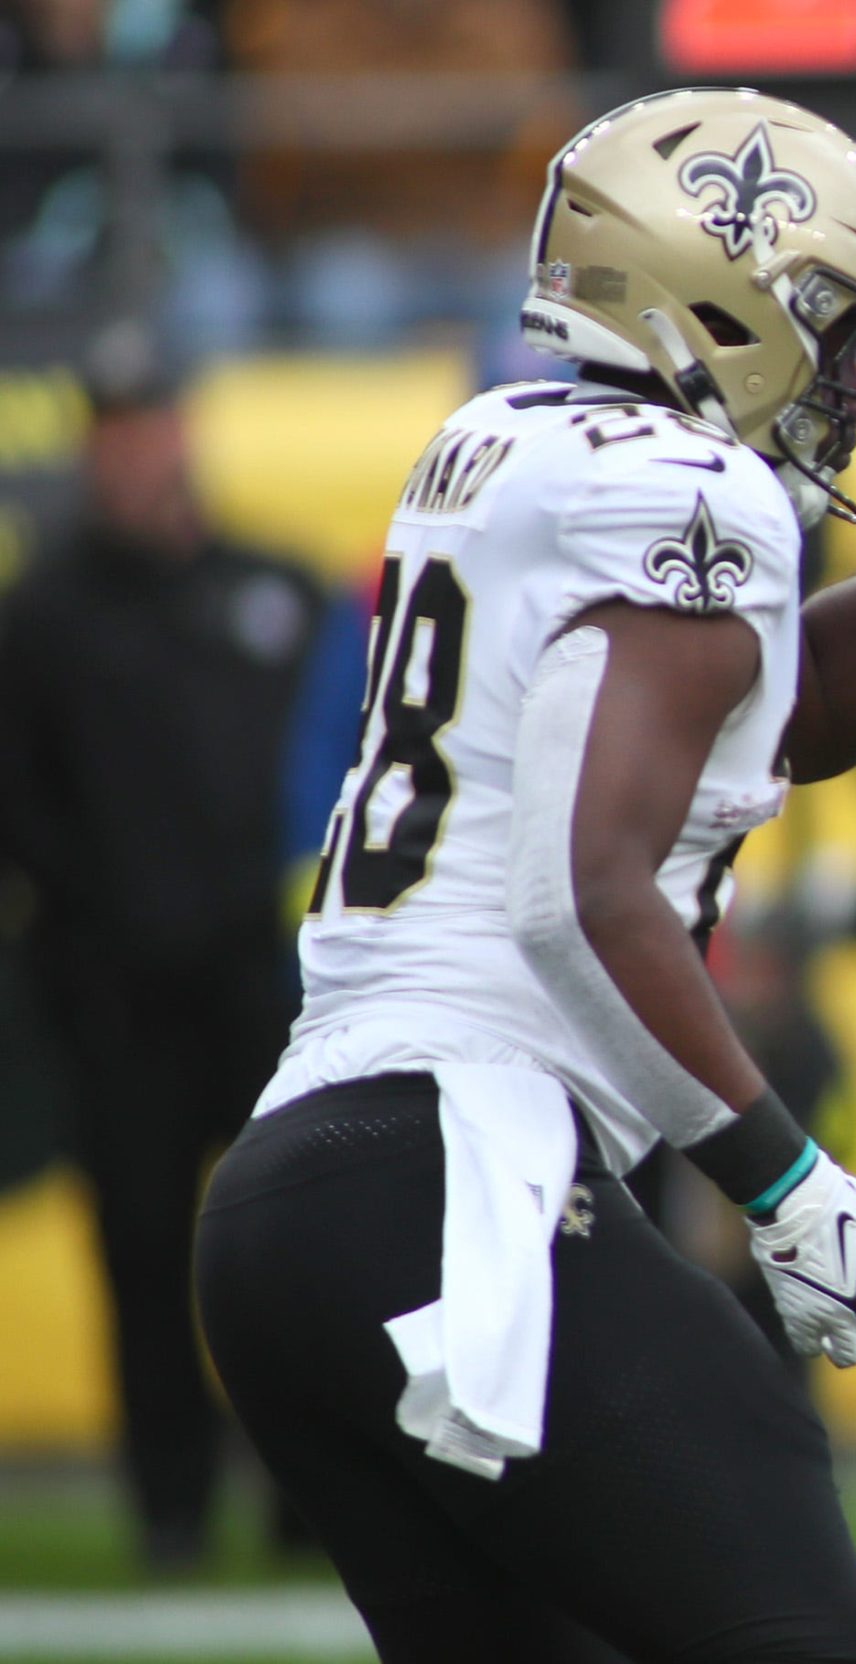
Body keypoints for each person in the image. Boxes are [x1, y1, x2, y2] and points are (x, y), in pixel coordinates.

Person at [191, 88, 856, 1664]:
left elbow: (765, 716)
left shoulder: (499, 437)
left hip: (298, 1198)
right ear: (720, 299)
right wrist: (789, 1182)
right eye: (839, 323)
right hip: (459, 1162)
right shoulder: (684, 492)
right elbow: (583, 889)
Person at [0, 322, 338, 1572]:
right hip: (112, 988)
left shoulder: (273, 588)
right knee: (144, 1248)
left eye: (150, 428)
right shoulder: (40, 616)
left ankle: (313, 1498)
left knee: (300, 1241)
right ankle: (173, 1506)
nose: (134, 455)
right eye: (113, 434)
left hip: (268, 978)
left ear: (183, 434)